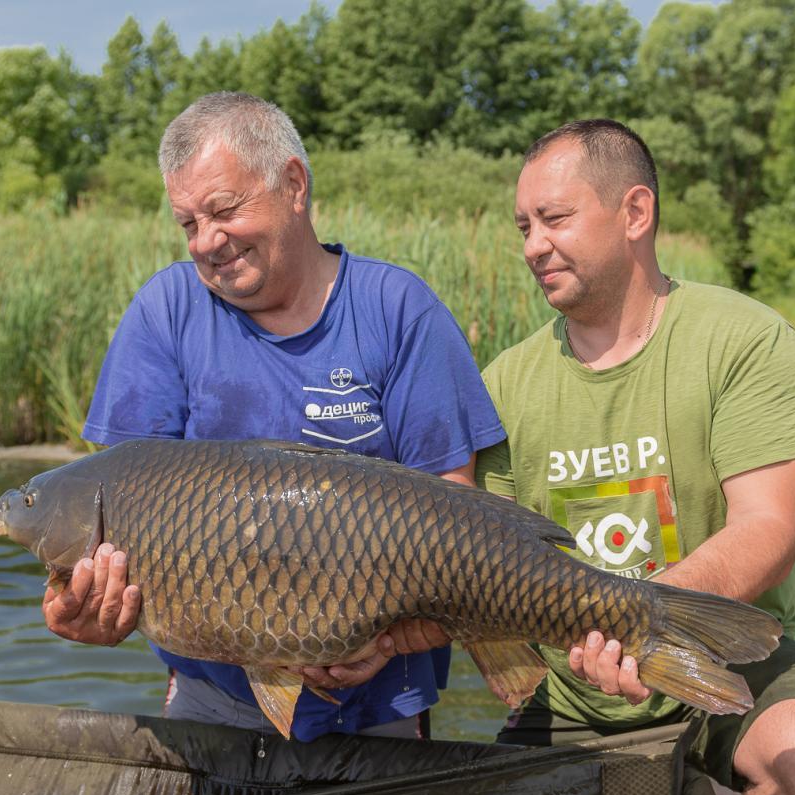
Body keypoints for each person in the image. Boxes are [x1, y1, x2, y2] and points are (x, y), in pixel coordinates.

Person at [40, 91, 505, 741]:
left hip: (385, 703)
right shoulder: (165, 312)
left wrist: (386, 641)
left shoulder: (398, 309)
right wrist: (81, 606)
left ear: (293, 184)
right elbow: (116, 497)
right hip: (212, 699)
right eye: (188, 224)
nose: (207, 242)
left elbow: (457, 513)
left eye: (224, 211)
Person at [470, 119, 795, 795]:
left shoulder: (745, 338)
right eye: (523, 225)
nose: (532, 245)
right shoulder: (499, 385)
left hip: (730, 657)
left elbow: (768, 528)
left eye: (554, 219)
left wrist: (642, 625)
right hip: (571, 687)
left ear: (635, 212)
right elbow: (478, 573)